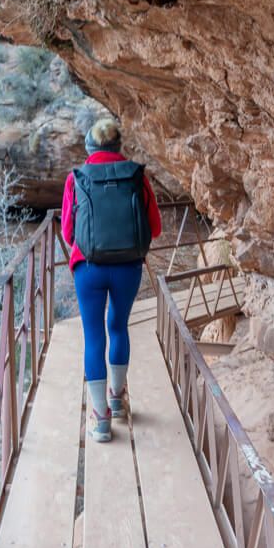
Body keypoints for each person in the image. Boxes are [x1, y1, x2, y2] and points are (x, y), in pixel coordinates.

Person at [61, 118, 162, 443]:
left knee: (93, 338)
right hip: (128, 266)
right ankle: (117, 399)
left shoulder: (76, 178)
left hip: (88, 267)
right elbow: (155, 228)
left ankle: (101, 419)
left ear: (89, 148)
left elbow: (67, 232)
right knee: (118, 326)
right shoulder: (136, 176)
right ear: (119, 147)